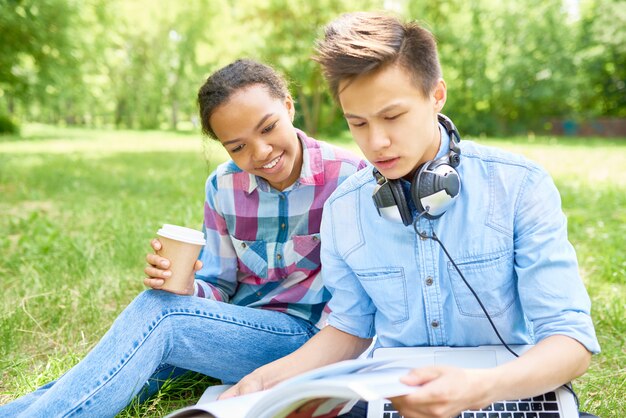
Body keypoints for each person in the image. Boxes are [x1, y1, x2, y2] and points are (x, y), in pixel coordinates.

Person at [221, 12, 601, 418]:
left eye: (392, 117)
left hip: (506, 388)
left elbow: (570, 342)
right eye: (358, 123)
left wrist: (480, 390)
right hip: (396, 397)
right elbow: (350, 329)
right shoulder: (343, 209)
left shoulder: (519, 186)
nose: (376, 142)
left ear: (436, 96)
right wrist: (267, 380)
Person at [0, 59, 365, 417]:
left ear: (288, 106)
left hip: (309, 344)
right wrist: (189, 287)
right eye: (237, 147)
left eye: (268, 128)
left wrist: (178, 310)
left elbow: (359, 307)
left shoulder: (351, 178)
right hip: (233, 334)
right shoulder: (223, 186)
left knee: (161, 316)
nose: (260, 152)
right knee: (112, 369)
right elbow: (219, 284)